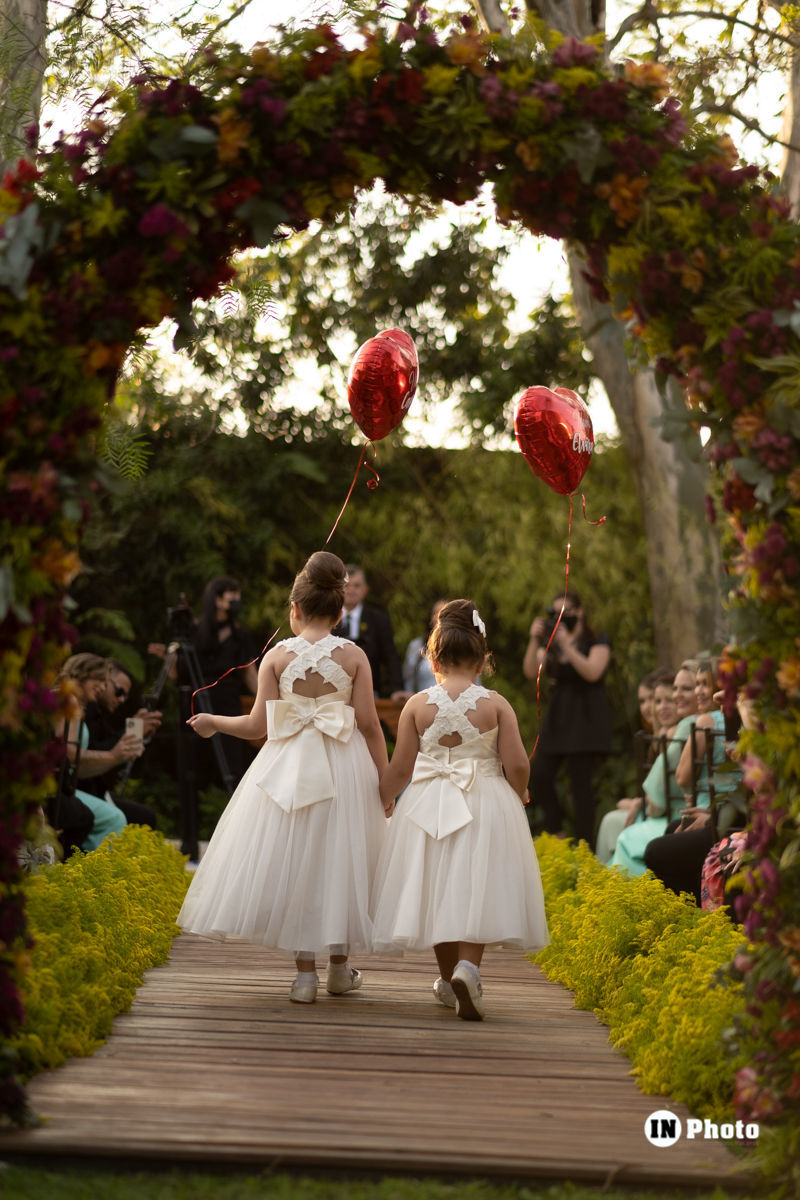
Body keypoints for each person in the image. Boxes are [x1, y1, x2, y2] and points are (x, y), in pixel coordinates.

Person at [178, 551, 390, 1005]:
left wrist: (214, 720)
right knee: (340, 859)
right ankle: (339, 968)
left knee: (300, 861)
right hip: (345, 767)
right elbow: (370, 726)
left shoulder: (276, 656)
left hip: (288, 767)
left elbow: (258, 727)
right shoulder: (354, 656)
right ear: (338, 611)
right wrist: (385, 782)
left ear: (294, 609)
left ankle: (304, 976)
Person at [371, 599, 549, 1021]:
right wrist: (518, 792)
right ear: (484, 658)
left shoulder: (416, 705)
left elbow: (401, 767)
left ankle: (448, 976)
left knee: (435, 886)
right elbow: (519, 763)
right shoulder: (495, 704)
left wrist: (386, 797)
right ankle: (468, 969)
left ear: (433, 656)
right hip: (483, 798)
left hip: (427, 802)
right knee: (475, 884)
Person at [522, 590, 613, 848]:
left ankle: (586, 848)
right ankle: (557, 831)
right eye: (555, 613)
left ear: (580, 612)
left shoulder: (596, 640)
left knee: (580, 786)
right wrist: (534, 640)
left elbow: (593, 672)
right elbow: (530, 670)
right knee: (540, 773)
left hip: (585, 718)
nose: (561, 618)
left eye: (566, 612)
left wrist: (567, 646)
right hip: (559, 717)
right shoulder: (552, 641)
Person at [609, 662, 699, 876]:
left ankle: (619, 897)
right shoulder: (673, 732)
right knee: (614, 823)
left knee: (624, 836)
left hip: (678, 816)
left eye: (686, 689)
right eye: (656, 701)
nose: (662, 706)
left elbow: (657, 802)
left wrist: (641, 803)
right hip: (678, 814)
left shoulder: (683, 729)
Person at [595, 668, 677, 863]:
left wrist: (637, 803)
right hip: (654, 809)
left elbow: (662, 794)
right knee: (612, 821)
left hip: (662, 814)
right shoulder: (654, 738)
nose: (649, 707)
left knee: (612, 822)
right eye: (644, 701)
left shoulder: (671, 736)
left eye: (653, 699)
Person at [53, 654, 131, 852]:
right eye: (101, 681)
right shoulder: (69, 701)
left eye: (106, 683)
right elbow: (67, 752)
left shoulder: (71, 701)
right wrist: (114, 755)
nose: (103, 688)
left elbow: (77, 766)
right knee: (115, 818)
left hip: (65, 783)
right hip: (56, 785)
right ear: (85, 675)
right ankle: (92, 872)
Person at [191, 575, 260, 787]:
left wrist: (264, 697)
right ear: (217, 600)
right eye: (232, 598)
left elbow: (249, 672)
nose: (236, 604)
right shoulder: (195, 631)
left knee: (232, 763)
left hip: (229, 703)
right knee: (196, 765)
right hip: (198, 702)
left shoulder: (240, 635)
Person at [81, 659, 161, 828]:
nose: (122, 699)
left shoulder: (99, 713)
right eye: (119, 691)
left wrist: (139, 734)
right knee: (136, 818)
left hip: (94, 788)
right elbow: (93, 751)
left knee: (143, 816)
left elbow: (127, 761)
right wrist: (131, 733)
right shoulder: (85, 708)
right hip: (83, 787)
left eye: (125, 695)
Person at [332, 564, 406, 701]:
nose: (351, 590)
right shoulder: (327, 618)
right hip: (333, 692)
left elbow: (391, 656)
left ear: (365, 589)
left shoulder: (378, 619)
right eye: (347, 586)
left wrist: (396, 689)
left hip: (370, 692)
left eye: (357, 586)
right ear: (338, 589)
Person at [402, 599, 446, 693]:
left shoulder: (464, 647)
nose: (439, 617)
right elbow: (408, 682)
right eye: (435, 613)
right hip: (424, 703)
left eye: (444, 613)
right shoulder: (417, 645)